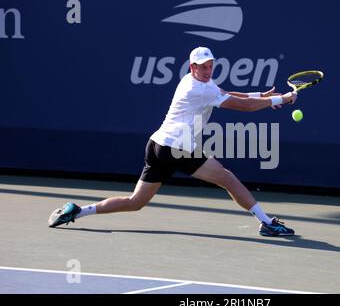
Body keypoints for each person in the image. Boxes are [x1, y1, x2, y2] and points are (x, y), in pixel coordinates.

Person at [48, 47, 297, 237]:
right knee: (228, 178)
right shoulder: (200, 88)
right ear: (192, 67)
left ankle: (78, 211)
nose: (207, 70)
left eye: (210, 65)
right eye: (202, 66)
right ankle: (267, 223)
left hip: (157, 145)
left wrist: (261, 95)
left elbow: (227, 94)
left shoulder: (197, 82)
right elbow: (241, 106)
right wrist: (281, 100)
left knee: (135, 202)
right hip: (177, 147)